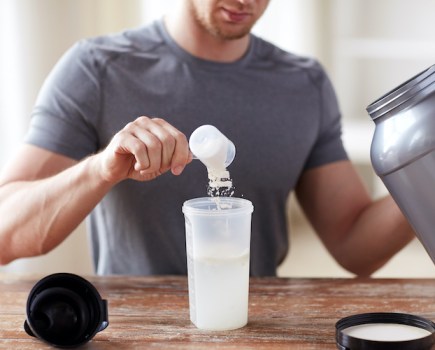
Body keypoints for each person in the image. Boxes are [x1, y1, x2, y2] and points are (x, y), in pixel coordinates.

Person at [0, 0, 414, 276]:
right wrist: (101, 169)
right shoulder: (98, 69)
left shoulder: (304, 84)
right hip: (133, 332)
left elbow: (355, 245)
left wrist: (424, 169)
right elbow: (5, 234)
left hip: (256, 330)